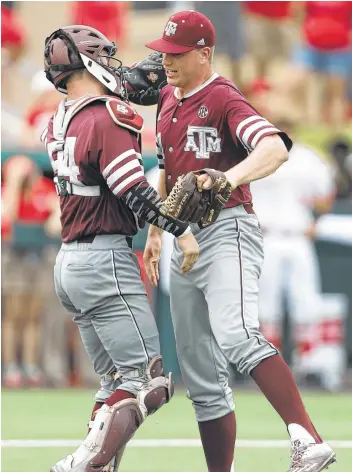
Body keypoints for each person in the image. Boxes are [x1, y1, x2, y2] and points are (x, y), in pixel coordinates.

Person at [144, 10, 336, 472]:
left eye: (176, 53)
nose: (166, 60)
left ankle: (308, 439)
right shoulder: (167, 97)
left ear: (204, 53)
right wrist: (155, 231)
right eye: (164, 52)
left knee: (237, 335)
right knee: (200, 373)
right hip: (183, 238)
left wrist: (225, 179)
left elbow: (274, 147)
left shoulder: (224, 97)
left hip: (229, 228)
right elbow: (168, 171)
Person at [42, 25, 199, 472]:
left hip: (71, 260)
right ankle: (80, 464)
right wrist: (179, 229)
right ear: (87, 63)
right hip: (104, 259)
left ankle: (94, 466)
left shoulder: (59, 116)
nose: (117, 67)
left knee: (114, 382)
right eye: (106, 57)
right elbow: (134, 190)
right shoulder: (108, 114)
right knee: (148, 384)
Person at [250, 119, 345, 392]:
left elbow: (326, 194)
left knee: (306, 305)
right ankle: (268, 370)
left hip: (298, 236)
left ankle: (308, 369)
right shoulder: (256, 152)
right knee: (266, 307)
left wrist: (316, 219)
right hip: (267, 235)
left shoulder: (307, 159)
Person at [1, 155, 58, 388]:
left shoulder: (44, 188)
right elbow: (9, 216)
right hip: (15, 257)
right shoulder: (6, 190)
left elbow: (56, 219)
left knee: (35, 314)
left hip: (39, 256)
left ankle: (31, 365)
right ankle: (11, 367)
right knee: (14, 314)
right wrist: (14, 183)